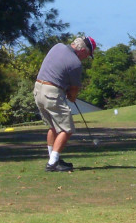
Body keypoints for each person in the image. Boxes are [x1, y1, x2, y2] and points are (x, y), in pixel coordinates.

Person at [34, 35, 97, 172]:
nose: (86, 57)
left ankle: (53, 158)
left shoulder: (58, 46)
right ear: (82, 50)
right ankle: (52, 164)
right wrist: (71, 96)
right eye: (87, 54)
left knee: (53, 127)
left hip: (38, 89)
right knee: (66, 129)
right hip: (51, 92)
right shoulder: (76, 63)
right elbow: (73, 92)